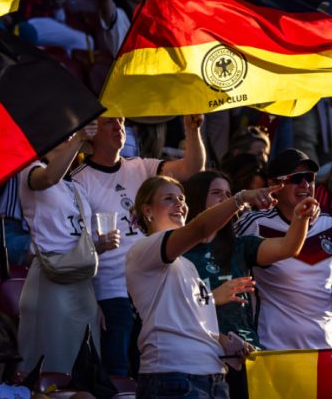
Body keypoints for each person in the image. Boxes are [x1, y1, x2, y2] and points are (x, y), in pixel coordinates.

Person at [125, 175, 314, 399]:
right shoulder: (144, 249)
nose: (179, 204)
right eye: (169, 199)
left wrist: (230, 344)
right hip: (173, 377)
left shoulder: (186, 265)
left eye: (182, 199)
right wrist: (241, 199)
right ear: (148, 210)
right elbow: (200, 229)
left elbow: (196, 325)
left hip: (212, 377)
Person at [74, 115, 206, 377]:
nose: (119, 126)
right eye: (109, 122)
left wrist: (191, 130)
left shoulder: (141, 166)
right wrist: (90, 300)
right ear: (91, 132)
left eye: (121, 121)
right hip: (111, 292)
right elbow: (77, 246)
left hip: (151, 288)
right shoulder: (78, 179)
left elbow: (192, 169)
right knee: (119, 373)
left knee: (153, 370)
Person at [182, 171, 318, 396]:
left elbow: (288, 247)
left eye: (228, 194)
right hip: (203, 360)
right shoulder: (178, 251)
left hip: (248, 355)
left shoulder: (240, 245)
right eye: (216, 193)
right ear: (196, 198)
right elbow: (175, 310)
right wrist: (214, 297)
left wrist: (300, 218)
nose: (225, 199)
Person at [236, 149, 332, 350]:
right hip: (272, 350)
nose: (305, 185)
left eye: (310, 178)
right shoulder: (255, 223)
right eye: (296, 178)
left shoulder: (328, 224)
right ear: (273, 185)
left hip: (322, 349)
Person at [18, 132, 103, 374]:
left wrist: (101, 245)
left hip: (80, 276)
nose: (69, 138)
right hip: (50, 272)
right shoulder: (30, 170)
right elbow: (49, 177)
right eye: (65, 135)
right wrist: (79, 138)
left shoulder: (76, 187)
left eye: (72, 136)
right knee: (53, 356)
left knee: (84, 360)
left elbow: (75, 238)